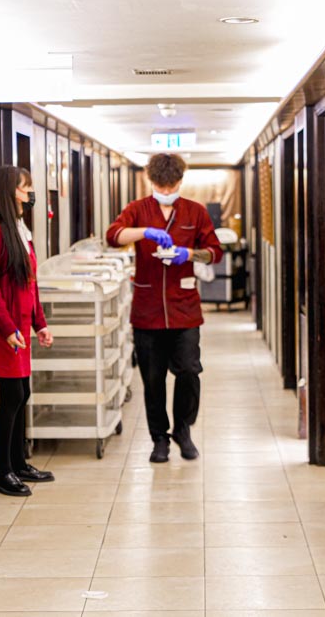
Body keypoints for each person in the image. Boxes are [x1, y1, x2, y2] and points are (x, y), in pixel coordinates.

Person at [106, 153, 223, 463]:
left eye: (172, 186)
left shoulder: (195, 212)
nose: (167, 191)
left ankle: (183, 429)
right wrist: (144, 232)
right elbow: (113, 236)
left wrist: (190, 254)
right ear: (152, 182)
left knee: (189, 370)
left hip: (185, 309)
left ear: (181, 182)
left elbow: (215, 252)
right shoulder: (137, 209)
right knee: (153, 379)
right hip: (148, 311)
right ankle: (159, 439)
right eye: (161, 186)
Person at [0, 166, 55, 496]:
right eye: (25, 187)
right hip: (3, 331)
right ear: (9, 192)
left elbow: (30, 284)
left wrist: (40, 323)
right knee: (12, 396)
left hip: (21, 328)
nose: (30, 193)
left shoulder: (21, 231)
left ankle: (19, 463)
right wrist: (8, 327)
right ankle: (3, 472)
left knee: (22, 393)